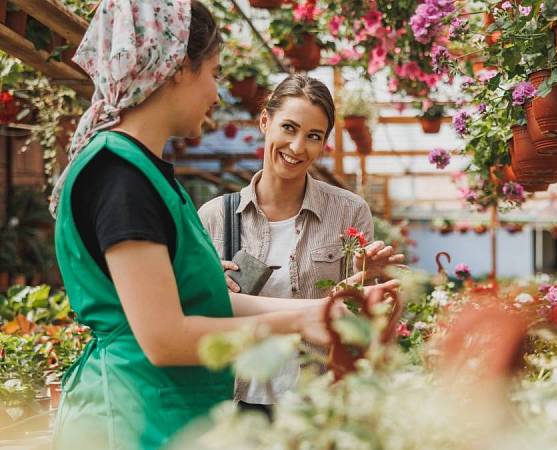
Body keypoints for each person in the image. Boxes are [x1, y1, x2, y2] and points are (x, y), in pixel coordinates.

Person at [51, 2, 390, 449]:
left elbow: (207, 304)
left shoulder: (144, 175)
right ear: (175, 68)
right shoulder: (121, 179)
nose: (217, 93)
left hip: (166, 415)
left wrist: (319, 312)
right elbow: (166, 339)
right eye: (213, 72)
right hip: (133, 421)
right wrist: (295, 323)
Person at [198, 74, 405, 413]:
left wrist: (371, 278)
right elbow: (195, 319)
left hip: (320, 402)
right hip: (238, 401)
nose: (297, 148)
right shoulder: (216, 217)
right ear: (265, 121)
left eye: (313, 136)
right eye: (289, 128)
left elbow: (367, 323)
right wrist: (205, 289)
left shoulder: (348, 211)